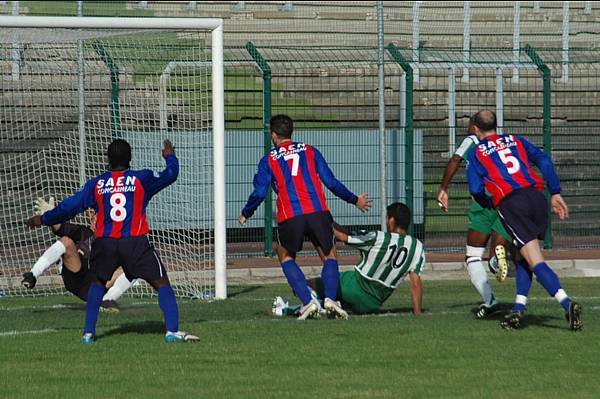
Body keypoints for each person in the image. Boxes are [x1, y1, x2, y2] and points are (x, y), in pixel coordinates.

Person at [26, 139, 199, 343]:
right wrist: (170, 156)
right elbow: (171, 175)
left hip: (106, 242)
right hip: (134, 242)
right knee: (162, 283)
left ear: (108, 160)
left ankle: (88, 333)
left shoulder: (96, 184)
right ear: (130, 158)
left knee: (98, 283)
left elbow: (69, 207)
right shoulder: (140, 178)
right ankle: (172, 331)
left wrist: (42, 219)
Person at [239, 114, 371, 320]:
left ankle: (308, 302)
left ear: (273, 136)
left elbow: (259, 192)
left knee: (285, 255)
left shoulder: (268, 161)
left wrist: (246, 212)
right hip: (318, 212)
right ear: (291, 132)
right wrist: (355, 200)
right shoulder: (310, 151)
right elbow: (331, 182)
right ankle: (330, 300)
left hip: (290, 215)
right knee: (329, 255)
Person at [466, 110, 581, 331]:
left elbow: (475, 188)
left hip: (513, 202)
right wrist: (555, 191)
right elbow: (544, 159)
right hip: (537, 198)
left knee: (534, 259)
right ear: (496, 126)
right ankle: (518, 310)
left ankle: (567, 304)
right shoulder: (514, 140)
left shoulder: (477, 152)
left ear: (475, 129)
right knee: (522, 258)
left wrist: (488, 202)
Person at [272, 202, 424, 318]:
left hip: (354, 286)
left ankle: (293, 307)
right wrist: (417, 312)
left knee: (305, 285)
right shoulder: (417, 247)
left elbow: (344, 236)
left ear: (391, 221)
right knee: (333, 301)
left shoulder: (380, 238)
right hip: (372, 304)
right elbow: (415, 283)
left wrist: (323, 219)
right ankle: (319, 306)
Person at [437, 115, 513, 319]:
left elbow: (455, 159)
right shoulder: (504, 142)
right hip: (506, 200)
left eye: (470, 123)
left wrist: (443, 188)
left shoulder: (472, 141)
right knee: (499, 247)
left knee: (472, 256)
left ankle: (490, 300)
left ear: (476, 127)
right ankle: (498, 258)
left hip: (483, 203)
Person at [22, 198, 132, 313]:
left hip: (94, 286)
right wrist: (52, 215)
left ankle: (106, 300)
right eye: (95, 215)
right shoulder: (83, 233)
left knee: (134, 265)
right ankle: (33, 275)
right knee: (66, 241)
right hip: (75, 277)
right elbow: (60, 228)